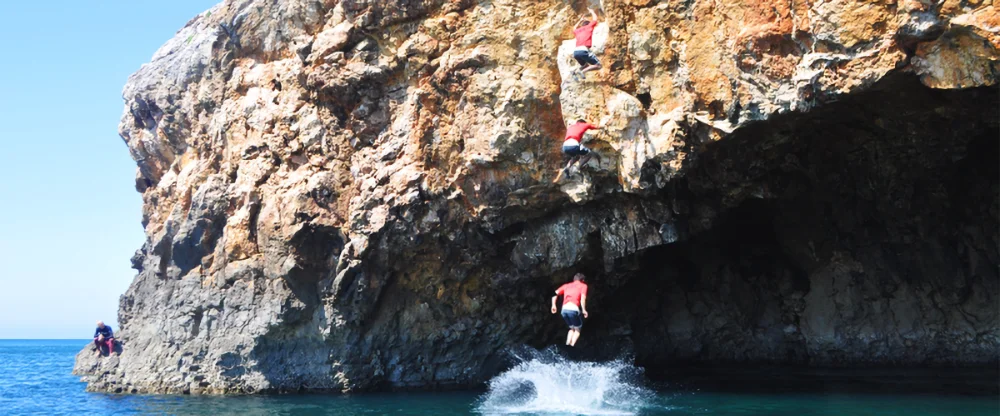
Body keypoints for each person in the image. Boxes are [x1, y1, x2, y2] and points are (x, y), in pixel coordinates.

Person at [551, 273, 590, 347]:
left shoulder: (566, 285)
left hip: (564, 310)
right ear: (583, 280)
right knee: (578, 329)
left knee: (571, 328)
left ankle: (567, 343)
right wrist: (584, 310)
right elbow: (583, 299)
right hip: (573, 309)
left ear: (574, 279)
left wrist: (553, 305)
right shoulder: (583, 286)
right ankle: (572, 344)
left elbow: (554, 294)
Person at [572, 8, 603, 75]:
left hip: (575, 52)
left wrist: (580, 20)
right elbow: (595, 19)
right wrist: (592, 11)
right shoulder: (589, 27)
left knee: (585, 66)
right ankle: (582, 72)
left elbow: (574, 28)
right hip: (583, 50)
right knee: (598, 65)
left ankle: (575, 72)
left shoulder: (578, 30)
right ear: (589, 24)